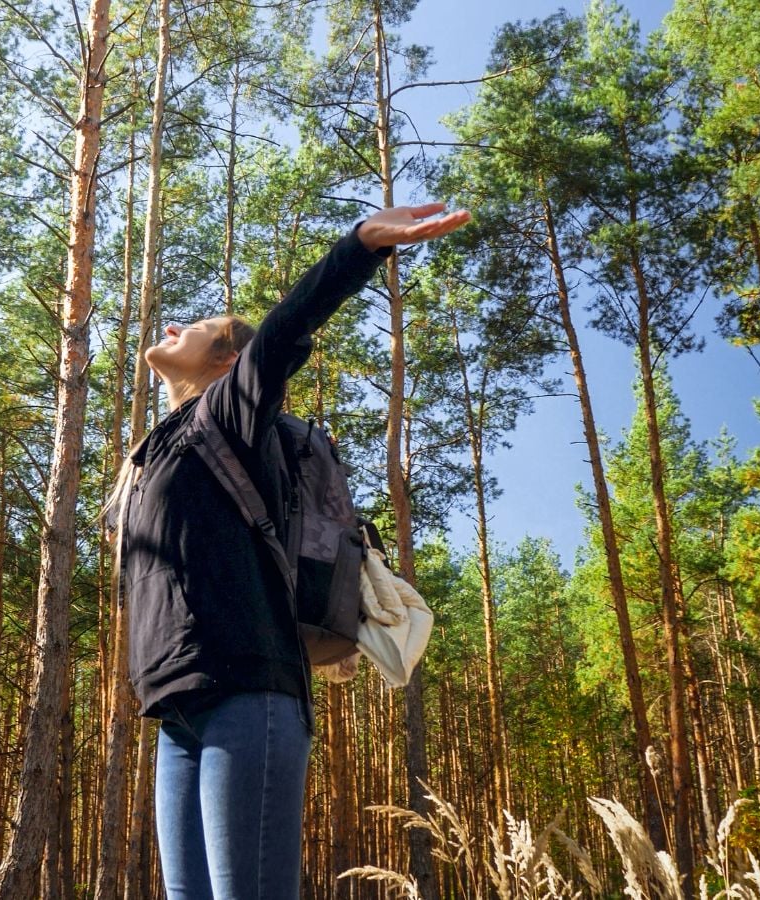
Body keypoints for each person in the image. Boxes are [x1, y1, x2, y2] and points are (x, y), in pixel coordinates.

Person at [104, 202, 471, 900]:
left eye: (199, 328)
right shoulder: (154, 453)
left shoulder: (227, 416)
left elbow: (283, 334)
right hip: (175, 709)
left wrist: (360, 245)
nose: (175, 325)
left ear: (229, 362)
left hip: (250, 692)